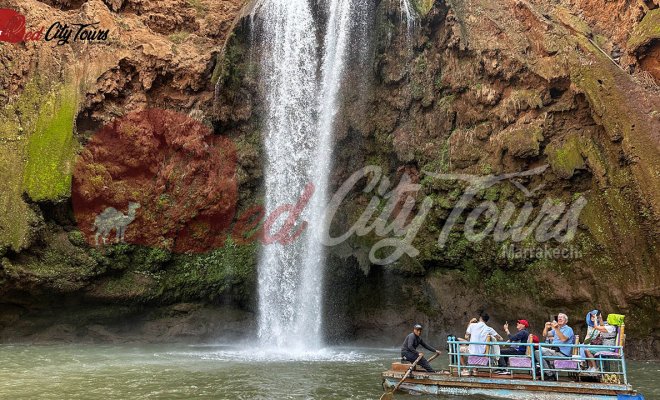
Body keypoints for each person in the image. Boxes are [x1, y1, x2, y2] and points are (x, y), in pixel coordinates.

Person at [536, 313, 574, 379]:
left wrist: (556, 328)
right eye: (559, 317)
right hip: (554, 352)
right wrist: (546, 327)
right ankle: (548, 373)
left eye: (562, 317)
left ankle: (549, 374)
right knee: (536, 350)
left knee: (537, 352)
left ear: (566, 321)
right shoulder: (556, 329)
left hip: (562, 354)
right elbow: (545, 335)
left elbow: (563, 339)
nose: (559, 318)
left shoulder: (569, 329)